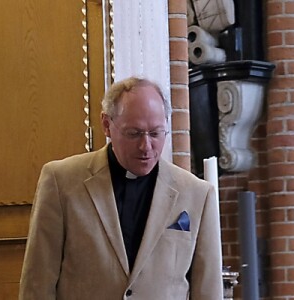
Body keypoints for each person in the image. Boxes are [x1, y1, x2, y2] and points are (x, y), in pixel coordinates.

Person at [19, 77, 223, 299]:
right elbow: (37, 284)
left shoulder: (197, 194)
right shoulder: (61, 182)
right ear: (107, 124)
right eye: (134, 133)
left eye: (155, 133)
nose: (146, 146)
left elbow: (208, 291)